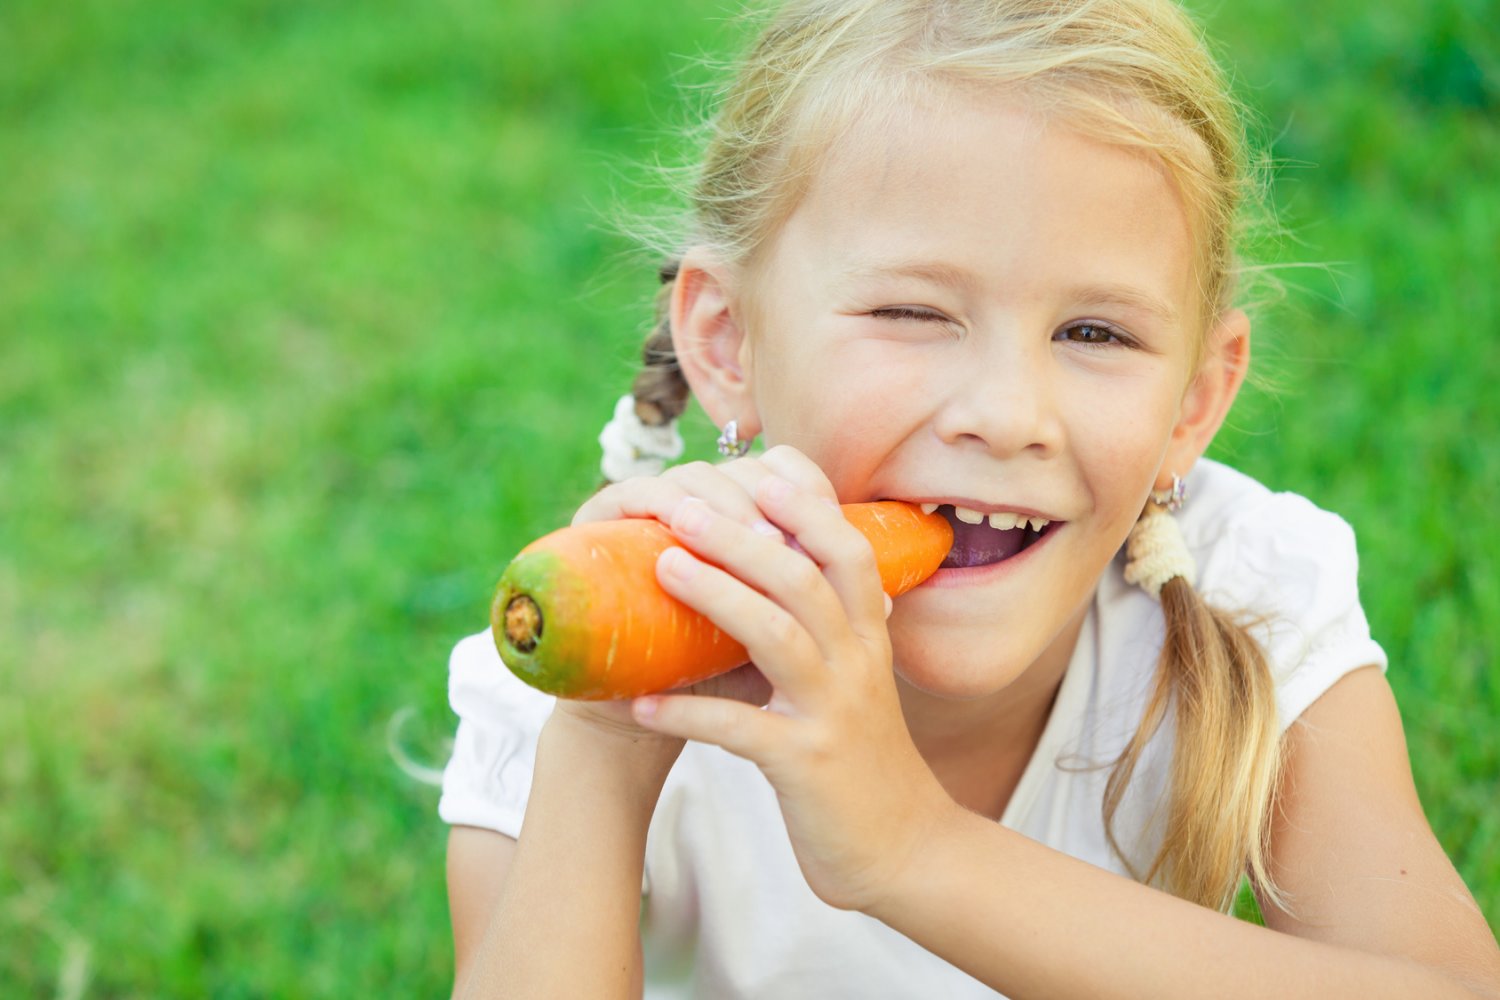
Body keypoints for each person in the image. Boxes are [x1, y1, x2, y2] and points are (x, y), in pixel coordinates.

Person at [440, 0, 1500, 996]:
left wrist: (913, 849)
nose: (1005, 414)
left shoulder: (1244, 599)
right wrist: (603, 749)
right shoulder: (590, 660)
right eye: (912, 311)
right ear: (728, 340)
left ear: (1195, 397)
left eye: (1095, 333)